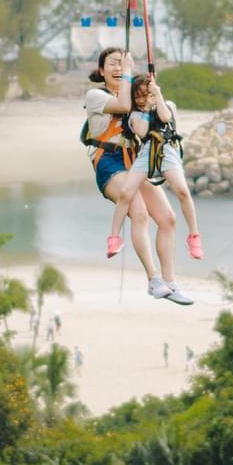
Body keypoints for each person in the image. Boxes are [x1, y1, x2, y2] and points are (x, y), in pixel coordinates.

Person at [84, 47, 193, 305]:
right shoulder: (95, 95)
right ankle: (153, 280)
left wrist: (154, 94)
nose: (118, 68)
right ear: (101, 70)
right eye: (112, 64)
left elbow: (149, 113)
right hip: (109, 164)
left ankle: (170, 282)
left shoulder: (132, 94)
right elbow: (122, 105)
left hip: (135, 160)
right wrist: (130, 74)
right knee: (139, 212)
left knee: (168, 218)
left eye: (123, 64)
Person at [108, 74, 204, 260]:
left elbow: (165, 117)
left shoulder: (168, 105)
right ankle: (114, 237)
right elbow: (143, 131)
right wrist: (147, 108)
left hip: (167, 151)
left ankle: (194, 236)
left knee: (183, 191)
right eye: (138, 96)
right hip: (147, 153)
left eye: (146, 94)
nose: (142, 100)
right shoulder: (135, 115)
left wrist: (157, 97)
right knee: (126, 192)